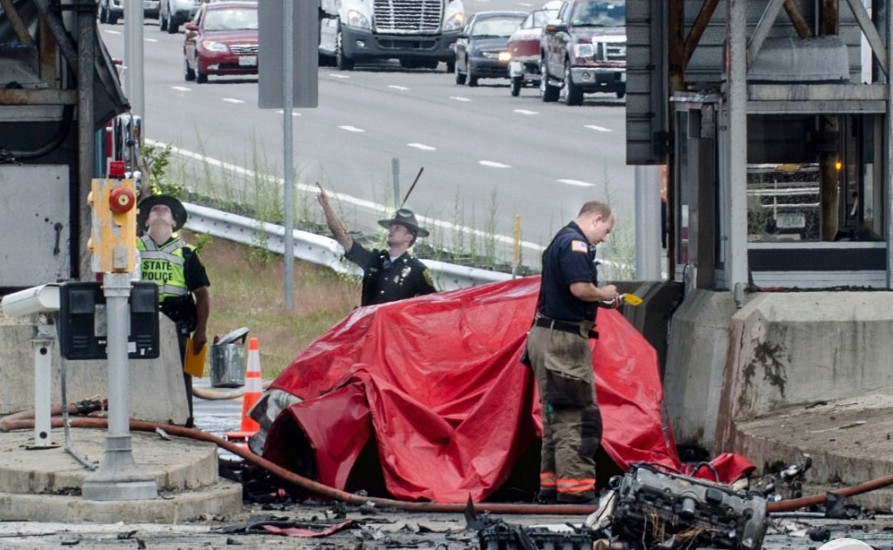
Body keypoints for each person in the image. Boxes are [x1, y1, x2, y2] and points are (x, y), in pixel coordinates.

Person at [525, 200, 622, 504]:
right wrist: (603, 292)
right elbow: (580, 289)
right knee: (577, 418)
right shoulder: (575, 244)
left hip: (548, 336)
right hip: (562, 342)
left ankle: (552, 487)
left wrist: (601, 302)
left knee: (556, 417)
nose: (603, 238)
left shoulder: (561, 240)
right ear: (596, 219)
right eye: (604, 231)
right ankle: (576, 492)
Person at [136, 194, 210, 428]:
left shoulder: (186, 253)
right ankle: (145, 419)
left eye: (166, 210)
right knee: (142, 372)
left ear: (174, 223)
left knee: (179, 373)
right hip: (142, 317)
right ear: (145, 222)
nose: (160, 210)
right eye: (154, 210)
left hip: (177, 320)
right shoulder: (133, 249)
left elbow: (203, 295)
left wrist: (201, 333)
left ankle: (184, 422)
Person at [316, 183, 437, 306]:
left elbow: (433, 304)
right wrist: (326, 207)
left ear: (409, 237)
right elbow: (342, 237)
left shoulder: (417, 270)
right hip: (368, 324)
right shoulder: (373, 260)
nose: (391, 230)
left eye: (397, 228)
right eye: (391, 227)